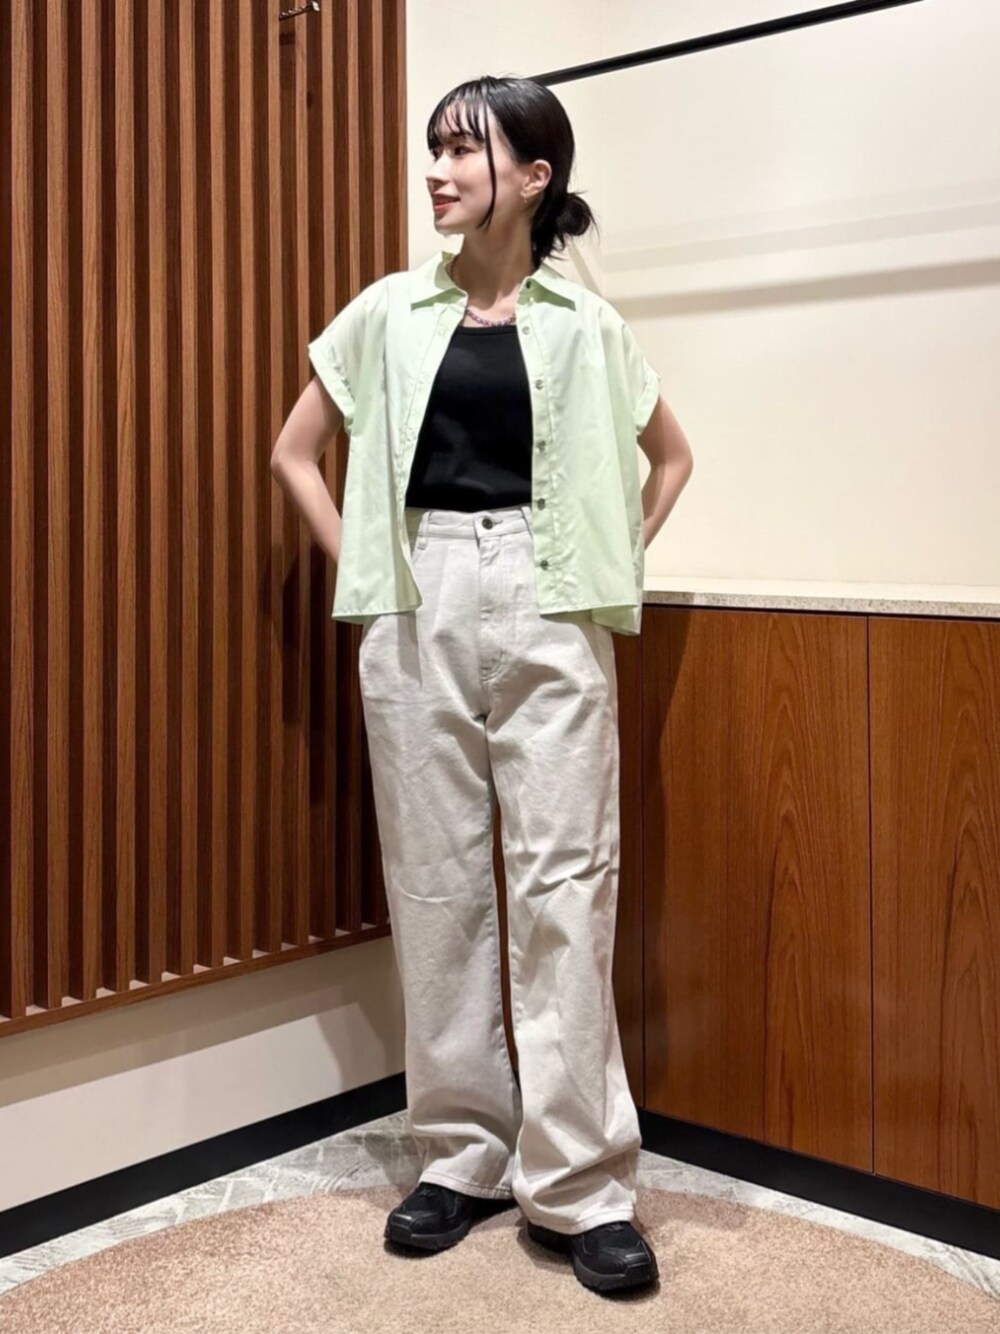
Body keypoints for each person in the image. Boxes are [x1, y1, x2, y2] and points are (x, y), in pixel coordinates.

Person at [271, 75, 694, 1295]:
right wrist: (371, 571)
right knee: (435, 881)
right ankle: (459, 1154)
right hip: (421, 592)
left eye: (465, 150)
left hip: (553, 599)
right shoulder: (388, 311)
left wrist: (604, 560)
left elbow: (671, 458)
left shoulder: (586, 325)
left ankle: (580, 1182)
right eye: (435, 149)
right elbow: (295, 453)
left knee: (567, 883)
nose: (439, 171)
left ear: (533, 176)